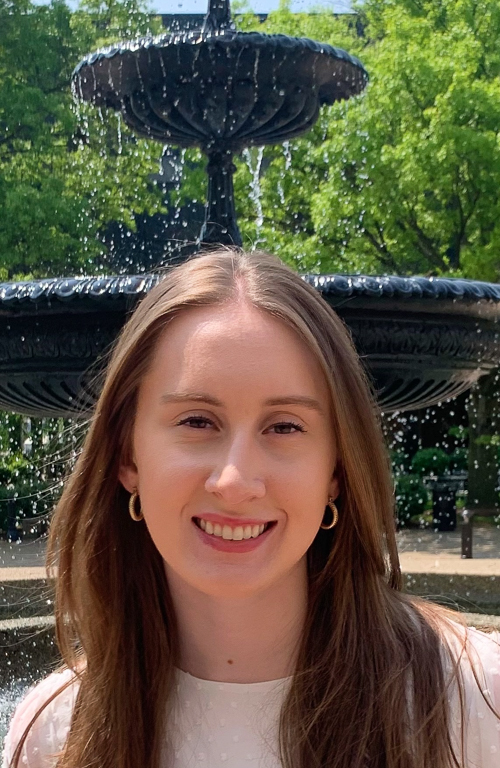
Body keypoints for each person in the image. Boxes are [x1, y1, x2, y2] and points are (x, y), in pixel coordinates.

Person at [2, 248, 500, 768]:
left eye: (284, 426)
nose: (235, 482)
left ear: (336, 470)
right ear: (128, 456)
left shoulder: (473, 700)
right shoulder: (55, 732)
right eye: (197, 421)